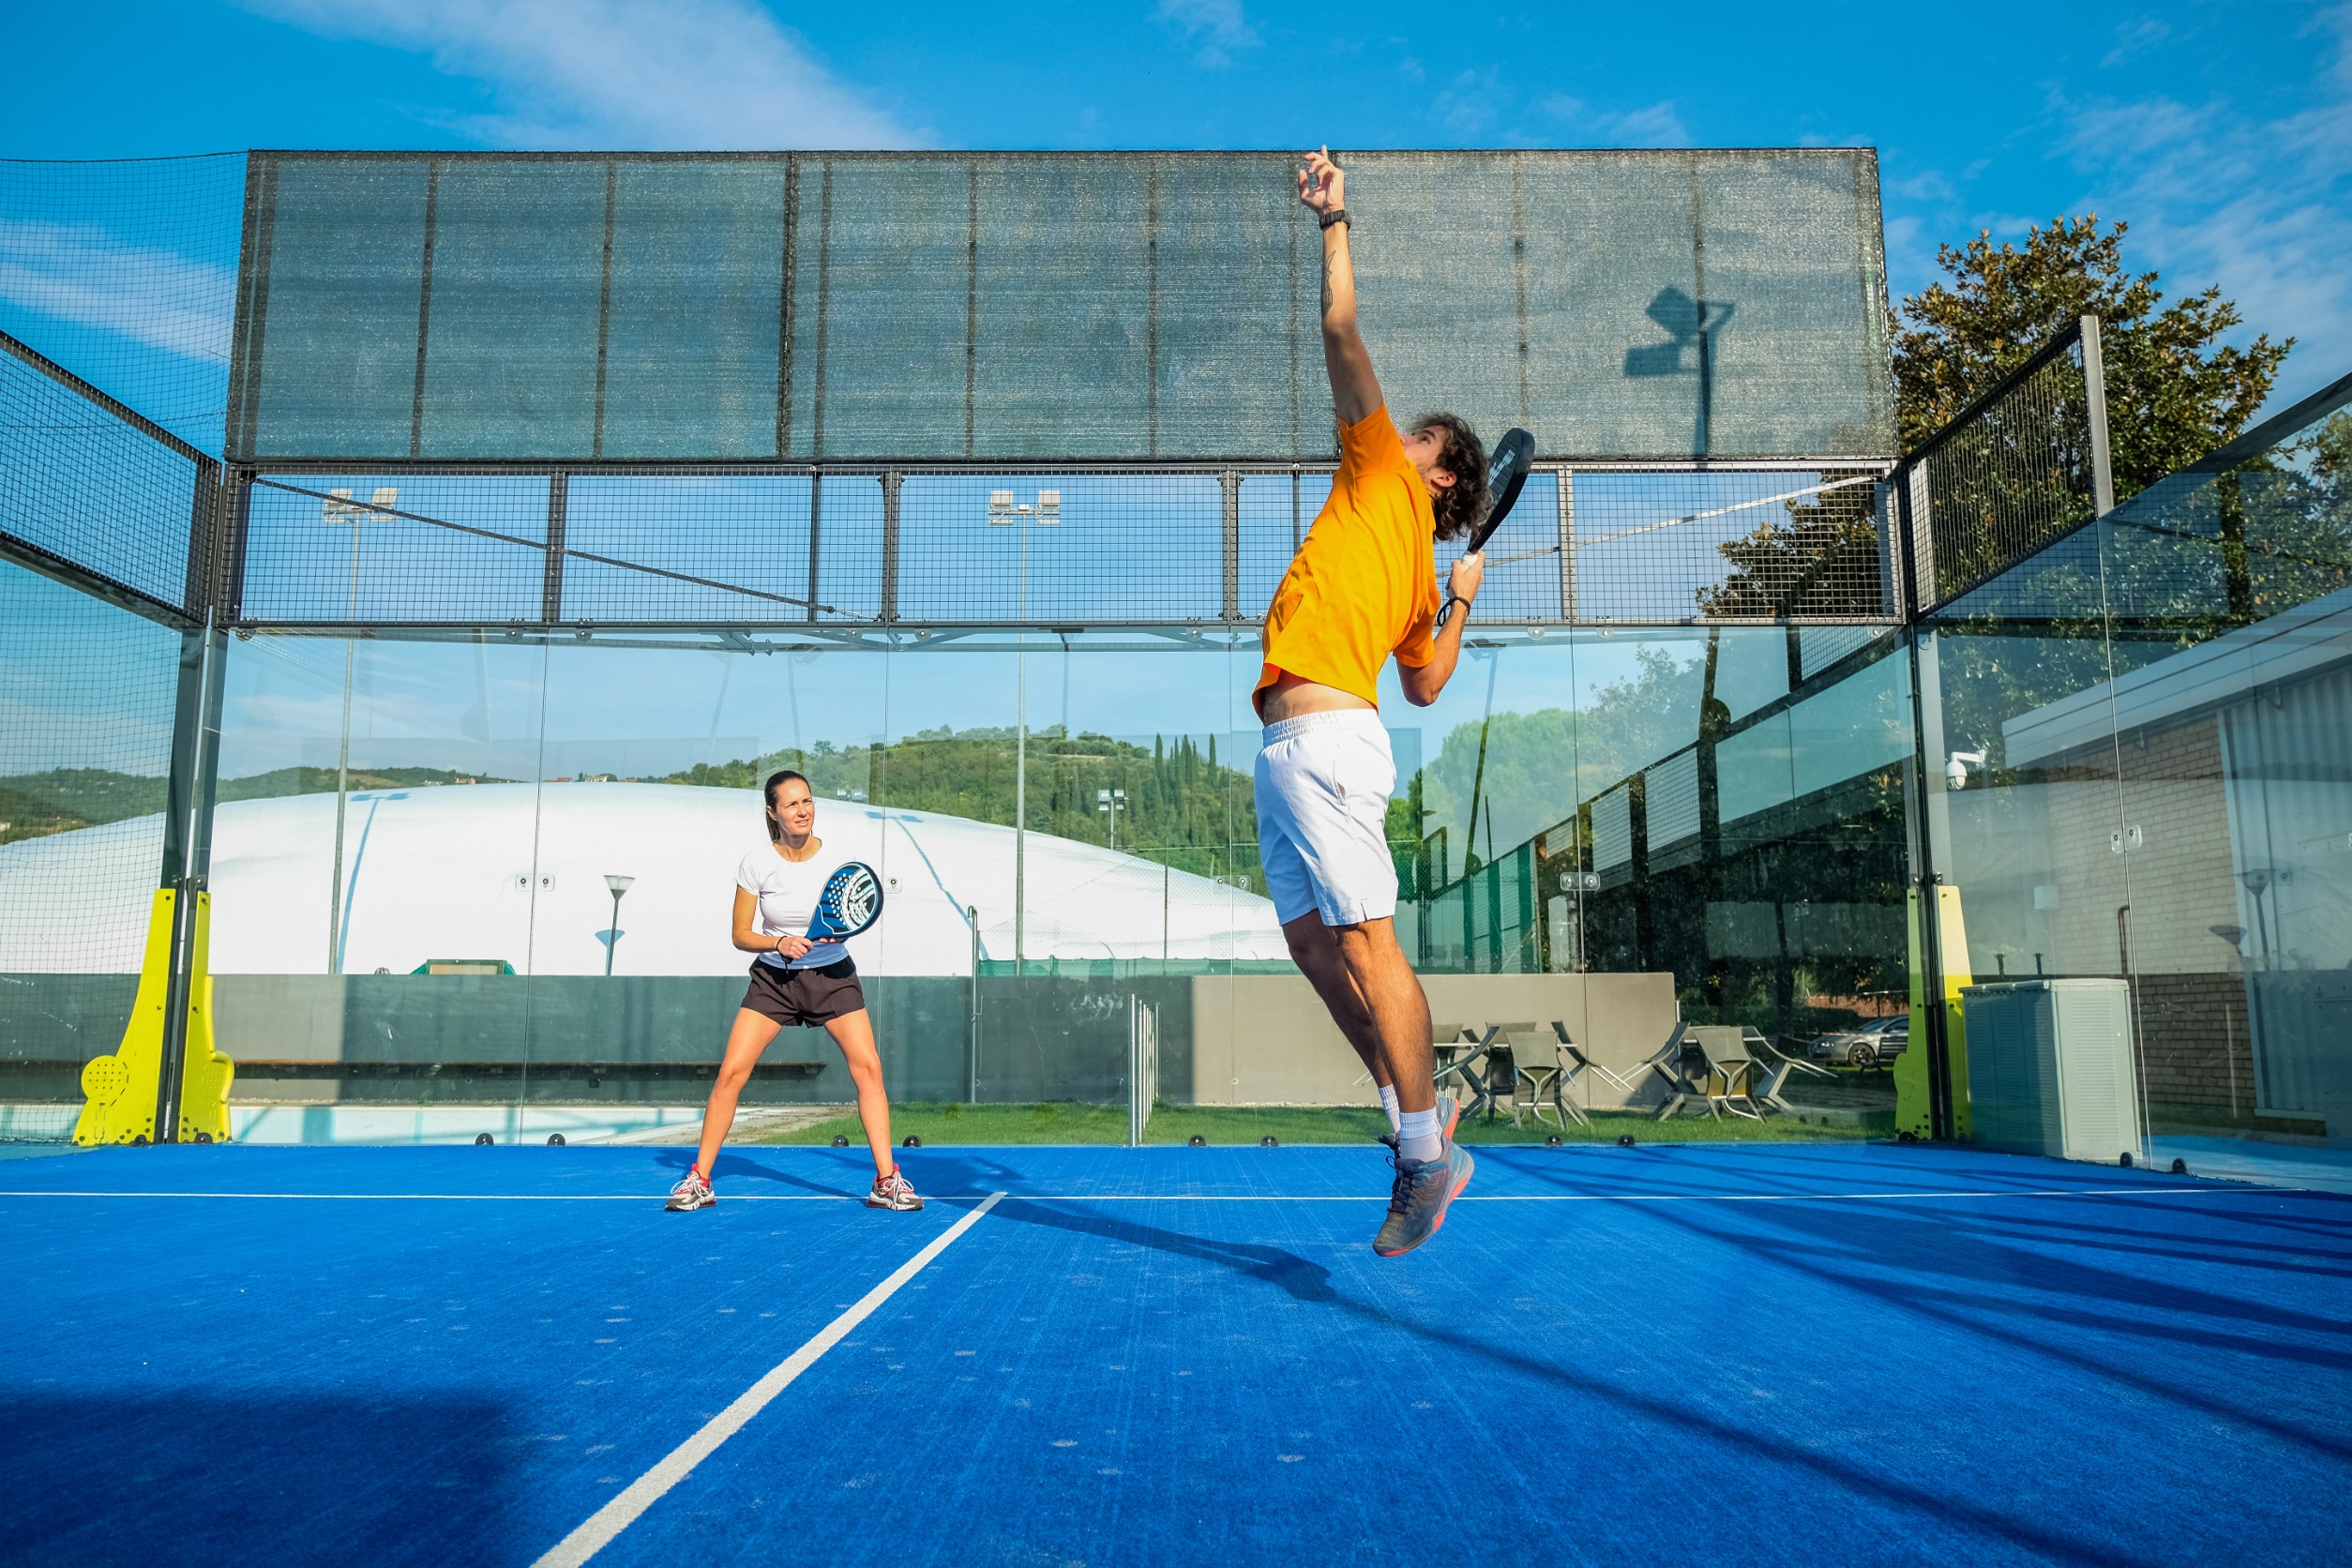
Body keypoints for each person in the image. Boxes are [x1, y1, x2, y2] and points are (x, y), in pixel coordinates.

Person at [1257, 147, 1490, 1256]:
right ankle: (1417, 1115)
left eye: (1419, 438)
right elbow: (1428, 681)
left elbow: (1341, 336)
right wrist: (1457, 604)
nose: (1396, 432)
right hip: (1297, 745)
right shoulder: (1403, 554)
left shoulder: (1383, 479)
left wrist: (1333, 222)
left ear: (1436, 475)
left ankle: (1423, 1157)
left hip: (1327, 745)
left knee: (1367, 947)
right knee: (1314, 948)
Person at [665, 769, 920, 1214]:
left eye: (807, 801)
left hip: (832, 977)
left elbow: (850, 914)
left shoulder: (838, 861)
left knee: (868, 1070)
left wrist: (830, 938)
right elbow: (741, 934)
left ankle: (886, 1181)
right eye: (791, 804)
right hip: (774, 980)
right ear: (773, 812)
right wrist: (779, 941)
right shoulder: (756, 863)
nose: (803, 811)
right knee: (731, 1074)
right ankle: (699, 1180)